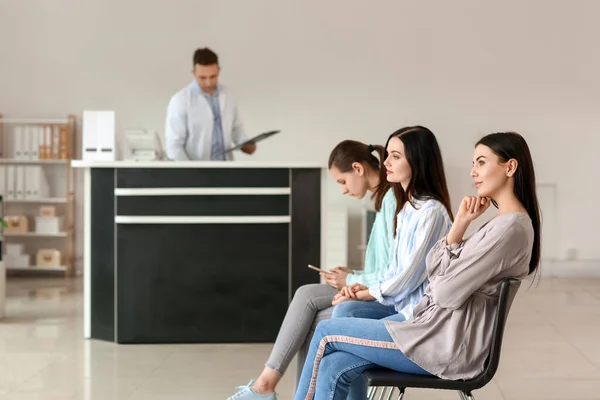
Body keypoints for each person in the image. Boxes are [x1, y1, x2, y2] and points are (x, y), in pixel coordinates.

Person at [294, 132, 541, 400]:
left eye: (481, 162)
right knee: (334, 363)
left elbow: (444, 290)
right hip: (431, 331)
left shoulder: (509, 229)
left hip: (442, 345)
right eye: (473, 163)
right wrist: (458, 227)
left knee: (325, 331)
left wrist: (442, 277)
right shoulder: (499, 225)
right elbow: (436, 271)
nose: (473, 172)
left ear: (510, 167)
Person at [226, 140, 397, 400]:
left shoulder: (392, 201)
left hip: (387, 301)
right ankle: (269, 387)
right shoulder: (385, 200)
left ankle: (267, 387)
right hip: (373, 290)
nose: (343, 190)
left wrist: (349, 279)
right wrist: (351, 274)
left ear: (358, 169)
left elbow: (392, 273)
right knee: (307, 297)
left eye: (342, 181)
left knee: (313, 312)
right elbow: (385, 266)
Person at [330, 126, 453, 324]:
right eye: (387, 155)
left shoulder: (432, 213)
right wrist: (363, 288)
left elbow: (408, 277)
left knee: (332, 324)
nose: (385, 162)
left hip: (418, 318)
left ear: (417, 161)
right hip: (401, 307)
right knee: (337, 333)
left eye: (395, 156)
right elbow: (394, 271)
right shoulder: (406, 210)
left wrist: (366, 291)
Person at [165, 48, 256, 161]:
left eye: (213, 76)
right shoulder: (180, 100)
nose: (208, 83)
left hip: (226, 168)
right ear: (194, 73)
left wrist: (245, 144)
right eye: (202, 78)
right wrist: (190, 173)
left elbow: (236, 128)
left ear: (219, 70)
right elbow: (174, 146)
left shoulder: (228, 96)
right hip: (197, 171)